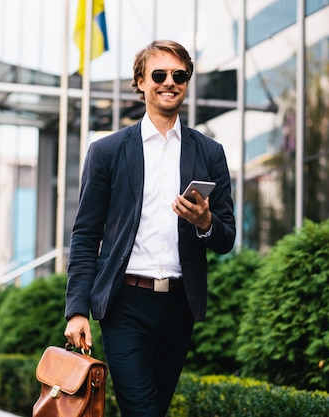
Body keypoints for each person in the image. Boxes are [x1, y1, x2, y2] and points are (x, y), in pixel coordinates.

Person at [64, 39, 236, 417]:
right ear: (141, 81)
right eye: (159, 74)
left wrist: (205, 221)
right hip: (125, 303)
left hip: (180, 305)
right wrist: (77, 310)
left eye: (179, 75)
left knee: (154, 410)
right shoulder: (107, 152)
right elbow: (85, 234)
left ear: (187, 82)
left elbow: (227, 237)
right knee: (142, 410)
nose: (169, 82)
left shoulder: (209, 153)